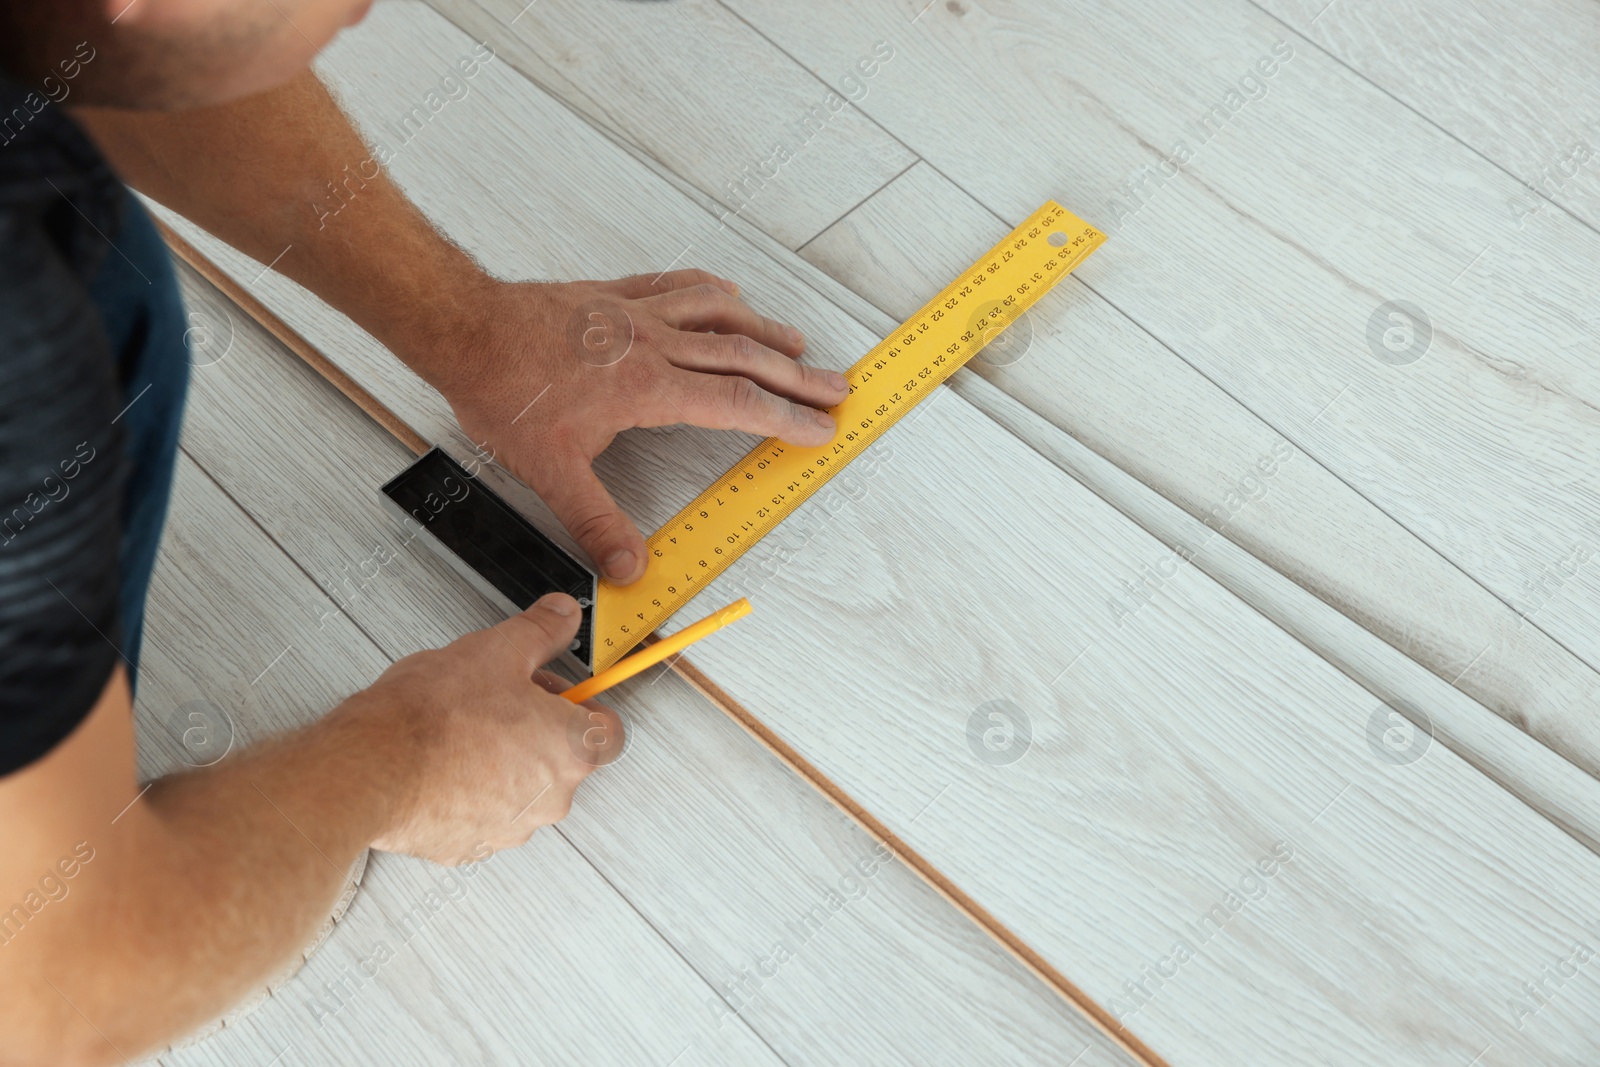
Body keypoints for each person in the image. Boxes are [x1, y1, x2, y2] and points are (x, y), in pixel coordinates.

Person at [0, 0, 849, 1060]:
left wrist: (471, 326)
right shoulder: (22, 327)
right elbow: (56, 991)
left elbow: (111, 38)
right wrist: (401, 757)